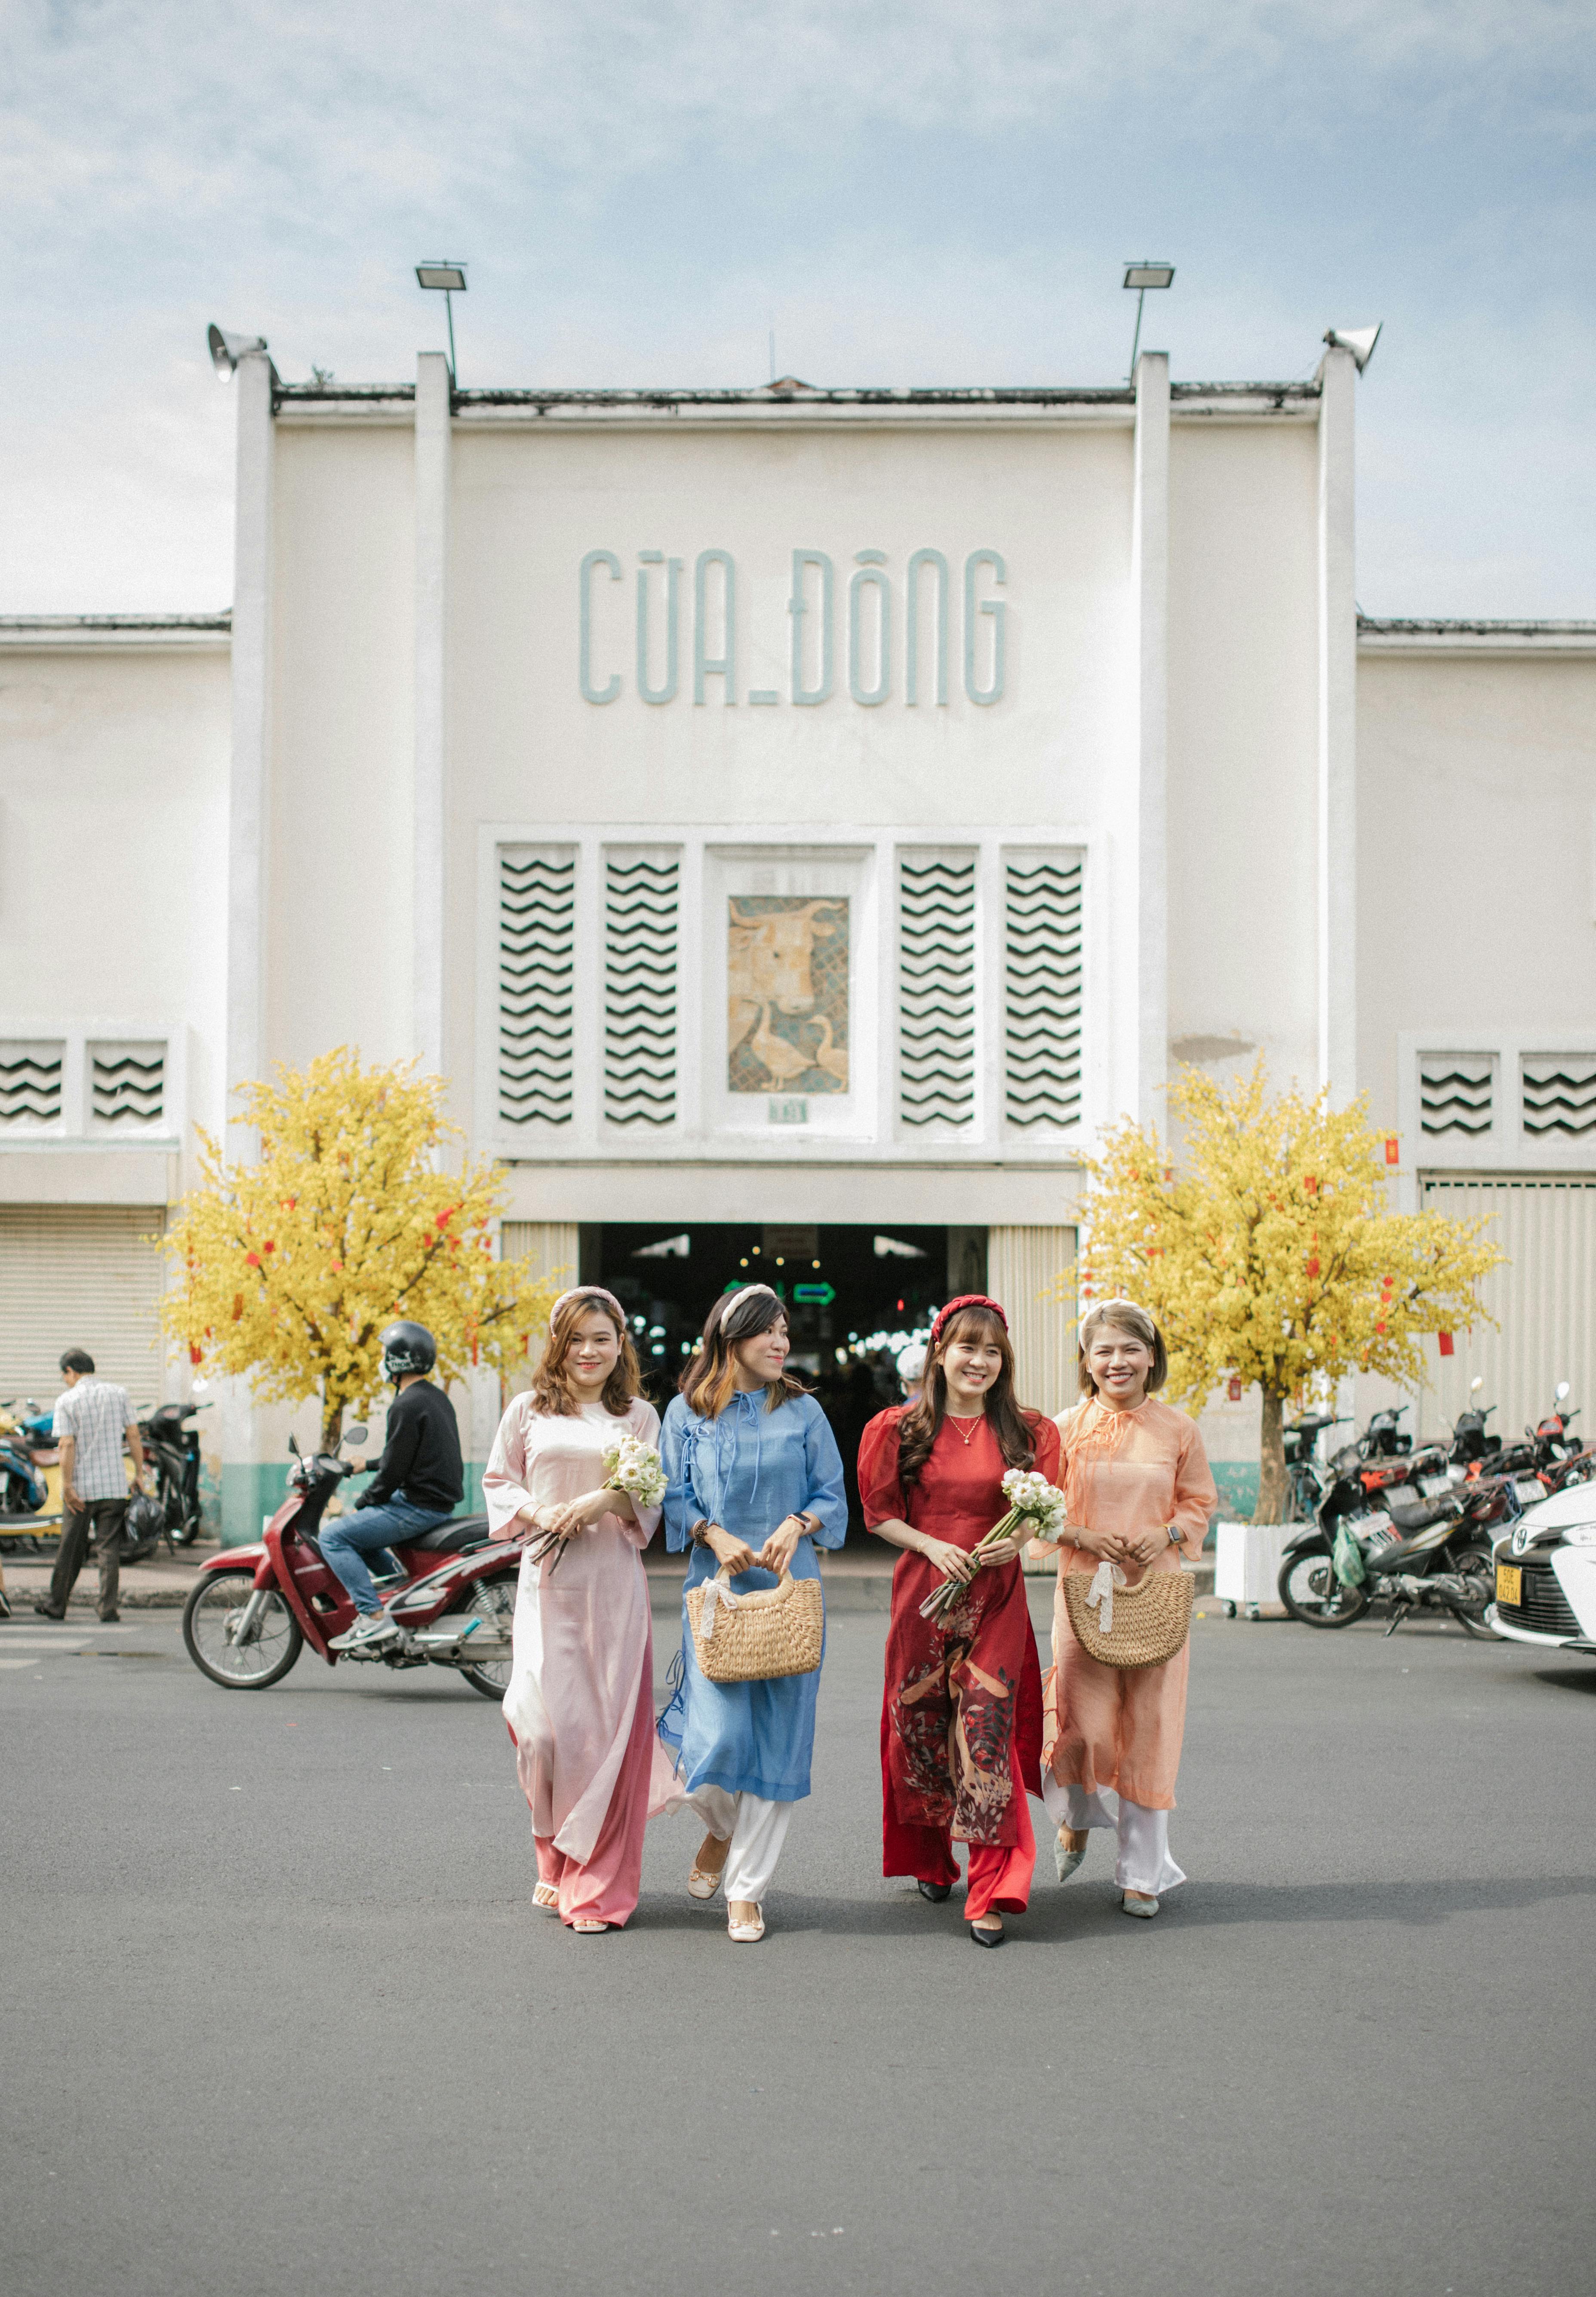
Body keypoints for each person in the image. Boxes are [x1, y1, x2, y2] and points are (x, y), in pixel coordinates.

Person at [859, 1295, 1061, 1947]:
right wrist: (927, 1543)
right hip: (924, 1588)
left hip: (996, 1597)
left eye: (992, 1351)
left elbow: (1042, 1512)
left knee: (985, 1735)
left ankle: (990, 1887)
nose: (979, 1361)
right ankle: (928, 1859)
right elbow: (878, 1513)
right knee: (918, 1729)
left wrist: (1019, 1537)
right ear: (939, 1353)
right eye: (967, 1348)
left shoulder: (1029, 1433)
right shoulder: (897, 1427)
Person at [484, 1288, 683, 1934]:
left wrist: (602, 1502)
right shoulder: (526, 1410)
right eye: (576, 1339)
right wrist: (540, 1511)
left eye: (601, 1338)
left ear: (619, 1344)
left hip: (612, 1592)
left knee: (602, 1742)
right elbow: (498, 1483)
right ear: (557, 1346)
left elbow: (649, 1507)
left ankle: (596, 1891)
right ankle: (552, 1849)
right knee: (540, 1732)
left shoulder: (639, 1418)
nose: (589, 1351)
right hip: (546, 1588)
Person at [659, 1285, 847, 1944]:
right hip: (716, 1595)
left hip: (791, 1595)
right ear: (729, 1337)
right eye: (766, 1332)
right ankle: (718, 1827)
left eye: (785, 1332)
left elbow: (831, 1493)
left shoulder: (802, 1412)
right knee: (718, 1738)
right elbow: (671, 1496)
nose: (780, 1343)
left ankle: (746, 1891)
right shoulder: (685, 1413)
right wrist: (713, 1534)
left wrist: (798, 1524)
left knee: (779, 1742)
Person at [1040, 1298, 1218, 1919]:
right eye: (1103, 1350)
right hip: (1083, 1593)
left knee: (1150, 1728)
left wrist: (1166, 1534)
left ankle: (1142, 1874)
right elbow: (1038, 1510)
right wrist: (1081, 1536)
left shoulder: (1178, 1429)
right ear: (1085, 1361)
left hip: (1155, 1596)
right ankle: (1074, 1818)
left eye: (1129, 1349)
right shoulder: (1061, 1428)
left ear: (1150, 1357)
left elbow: (1198, 1502)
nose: (1117, 1361)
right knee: (1078, 1725)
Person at [323, 1321, 462, 1645]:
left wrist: (365, 1500)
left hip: (418, 1506)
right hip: (434, 1502)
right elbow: (409, 1454)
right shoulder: (433, 1398)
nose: (381, 1361)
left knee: (333, 1536)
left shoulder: (406, 1404)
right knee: (361, 1535)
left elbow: (394, 1472)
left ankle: (373, 1617)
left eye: (385, 1354)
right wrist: (366, 1465)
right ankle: (398, 1595)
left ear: (398, 1360)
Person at [34, 1348, 147, 1622]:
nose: (65, 1380)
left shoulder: (67, 1400)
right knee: (109, 1550)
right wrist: (139, 1473)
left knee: (71, 1547)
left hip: (82, 1490)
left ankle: (57, 1605)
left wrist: (68, 1486)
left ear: (71, 1371)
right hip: (113, 1486)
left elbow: (67, 1444)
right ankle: (108, 1609)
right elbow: (133, 1434)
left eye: (65, 1375)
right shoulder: (118, 1394)